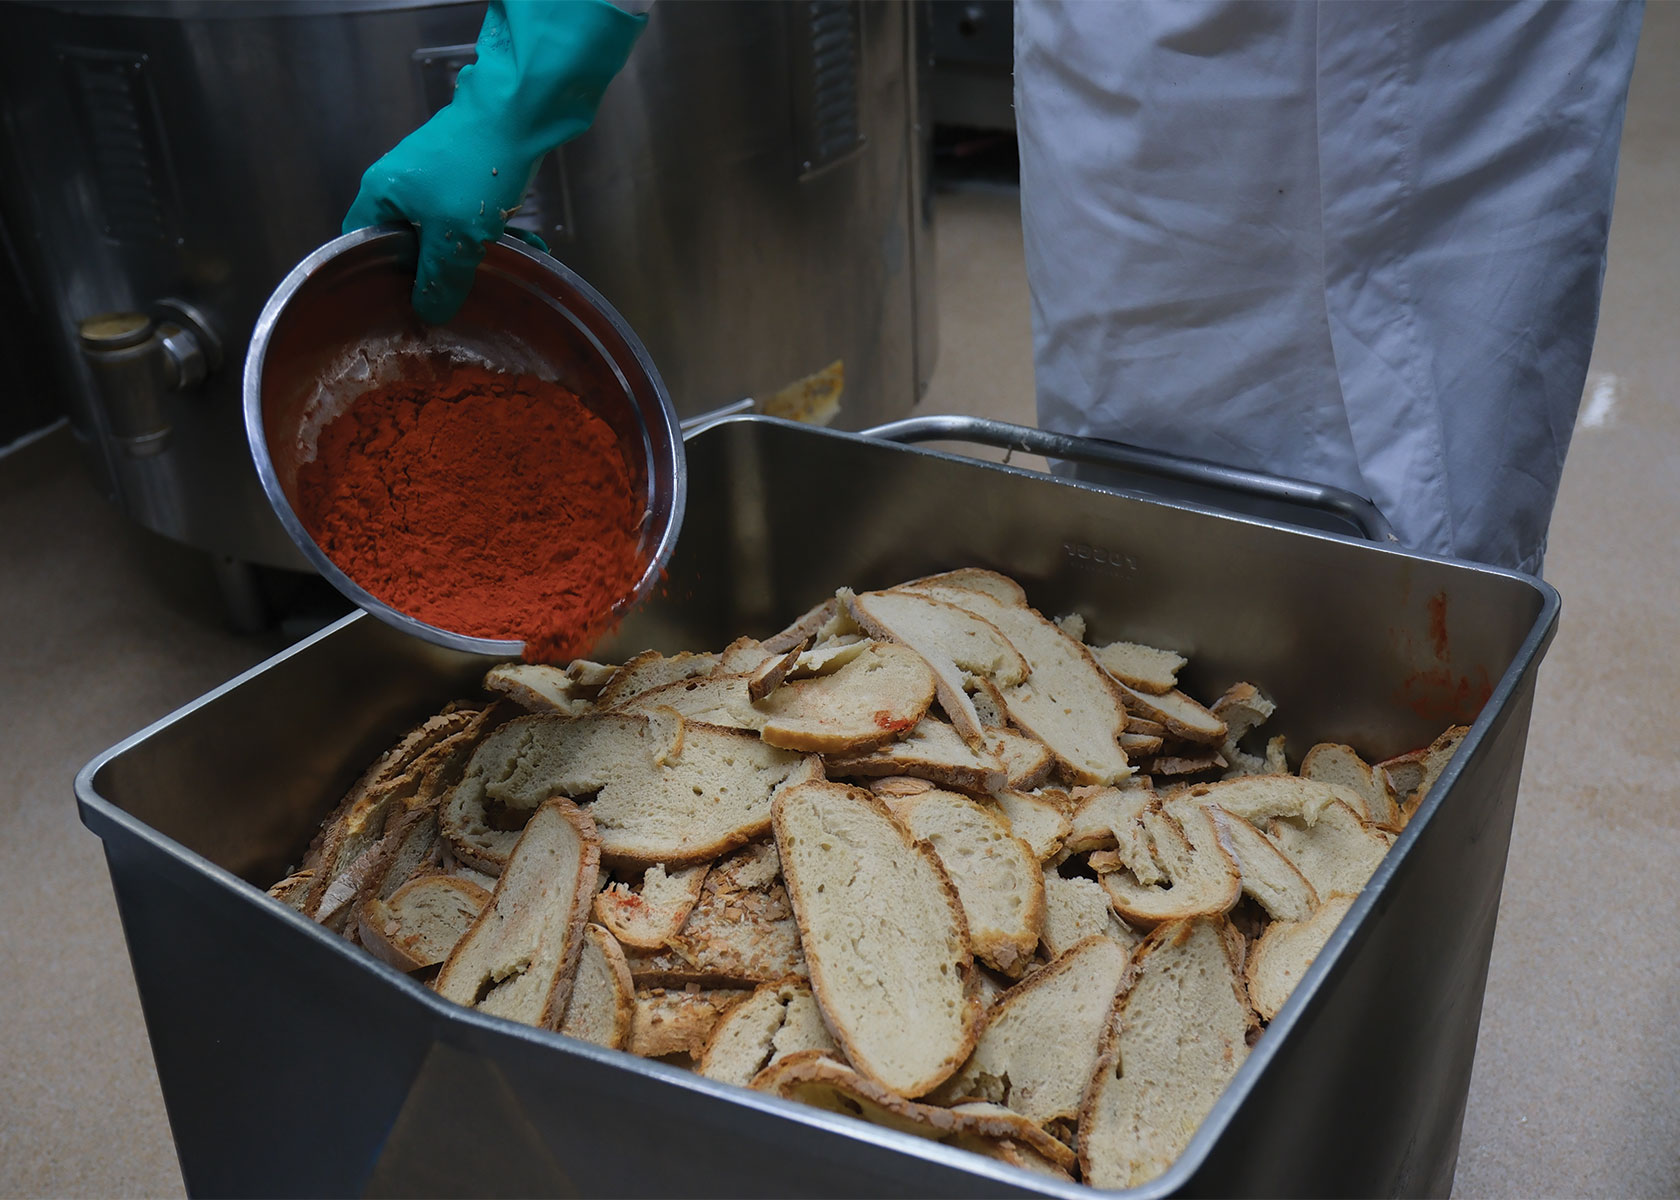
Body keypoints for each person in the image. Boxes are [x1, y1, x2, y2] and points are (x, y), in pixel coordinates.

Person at [348, 0, 1644, 573]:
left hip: (1456, 73)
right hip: (1141, 69)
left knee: (1427, 564)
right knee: (1143, 525)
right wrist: (528, 71)